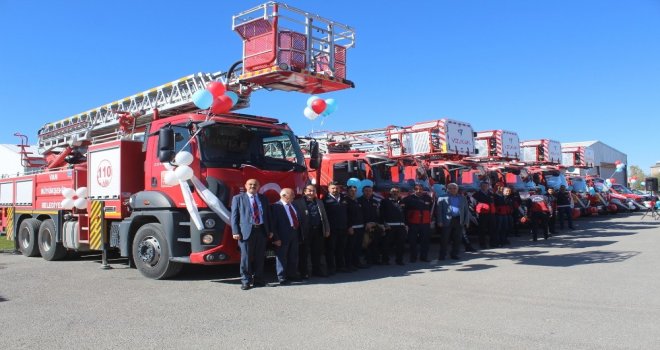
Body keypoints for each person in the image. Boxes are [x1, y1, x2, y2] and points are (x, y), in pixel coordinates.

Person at [231, 179, 274, 290]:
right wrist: (235, 232)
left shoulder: (263, 198)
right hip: (246, 232)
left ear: (259, 186)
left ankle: (258, 280)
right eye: (250, 184)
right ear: (245, 186)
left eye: (255, 184)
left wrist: (270, 230)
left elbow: (268, 216)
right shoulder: (238, 198)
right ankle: (246, 281)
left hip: (261, 231)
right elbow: (234, 217)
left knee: (260, 257)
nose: (252, 186)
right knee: (246, 258)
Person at [294, 185, 331, 278]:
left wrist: (327, 229)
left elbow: (324, 216)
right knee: (304, 253)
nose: (311, 193)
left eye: (313, 191)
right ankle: (304, 272)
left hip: (318, 230)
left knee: (317, 252)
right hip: (305, 231)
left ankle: (317, 270)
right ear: (305, 192)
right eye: (309, 191)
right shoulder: (297, 203)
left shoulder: (319, 202)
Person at [270, 188, 302, 285]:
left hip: (294, 233)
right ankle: (282, 277)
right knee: (281, 257)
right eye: (292, 194)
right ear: (284, 195)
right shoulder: (275, 207)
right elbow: (273, 224)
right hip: (282, 236)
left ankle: (292, 274)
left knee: (293, 256)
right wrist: (276, 238)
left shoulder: (294, 205)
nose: (294, 196)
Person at [435, 183, 470, 260]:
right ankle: (442, 255)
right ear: (447, 189)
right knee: (445, 239)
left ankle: (454, 254)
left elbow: (466, 211)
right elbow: (439, 211)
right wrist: (439, 221)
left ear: (457, 189)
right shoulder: (442, 198)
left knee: (457, 239)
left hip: (458, 220)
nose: (452, 190)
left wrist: (466, 221)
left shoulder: (462, 198)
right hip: (446, 221)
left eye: (454, 188)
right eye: (450, 188)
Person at [402, 183, 433, 262]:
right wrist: (405, 223)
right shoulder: (408, 199)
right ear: (414, 190)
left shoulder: (428, 198)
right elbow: (403, 211)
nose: (419, 190)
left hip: (425, 223)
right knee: (413, 241)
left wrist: (431, 220)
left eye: (420, 189)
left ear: (423, 190)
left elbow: (432, 210)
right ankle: (413, 258)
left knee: (425, 241)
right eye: (417, 189)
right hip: (413, 223)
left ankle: (424, 257)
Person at [323, 182, 349, 275]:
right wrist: (326, 229)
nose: (335, 190)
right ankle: (331, 267)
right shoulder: (325, 199)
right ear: (329, 189)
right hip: (332, 229)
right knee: (330, 249)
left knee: (341, 248)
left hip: (343, 228)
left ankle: (340, 266)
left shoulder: (344, 198)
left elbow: (348, 213)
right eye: (333, 188)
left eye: (337, 188)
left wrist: (349, 226)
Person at [380, 186, 407, 265]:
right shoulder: (385, 201)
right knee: (386, 244)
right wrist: (384, 224)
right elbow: (381, 214)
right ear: (390, 192)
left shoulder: (402, 201)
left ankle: (399, 260)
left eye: (397, 191)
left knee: (401, 244)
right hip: (389, 226)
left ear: (399, 193)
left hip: (401, 226)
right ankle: (385, 260)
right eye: (394, 191)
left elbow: (405, 214)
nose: (395, 193)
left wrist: (406, 225)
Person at [359, 186, 385, 265]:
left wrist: (379, 224)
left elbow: (378, 214)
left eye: (370, 191)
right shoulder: (359, 201)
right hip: (365, 225)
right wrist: (365, 224)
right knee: (367, 243)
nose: (368, 192)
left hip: (375, 225)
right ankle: (368, 260)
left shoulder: (375, 201)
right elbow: (359, 215)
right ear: (363, 191)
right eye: (366, 191)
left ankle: (376, 259)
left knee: (375, 242)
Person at [345, 185, 366, 269]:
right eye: (351, 191)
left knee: (358, 247)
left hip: (360, 227)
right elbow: (346, 215)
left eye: (355, 191)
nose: (353, 192)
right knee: (350, 247)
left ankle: (357, 263)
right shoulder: (345, 201)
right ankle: (349, 265)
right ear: (347, 191)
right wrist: (349, 226)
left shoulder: (358, 201)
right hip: (352, 228)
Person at [472, 181, 497, 249]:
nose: (485, 187)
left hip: (491, 214)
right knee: (482, 230)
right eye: (483, 186)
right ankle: (482, 244)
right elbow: (473, 204)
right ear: (480, 186)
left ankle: (493, 243)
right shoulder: (476, 194)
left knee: (492, 229)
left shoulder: (491, 194)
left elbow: (494, 203)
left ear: (488, 186)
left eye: (486, 186)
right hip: (482, 214)